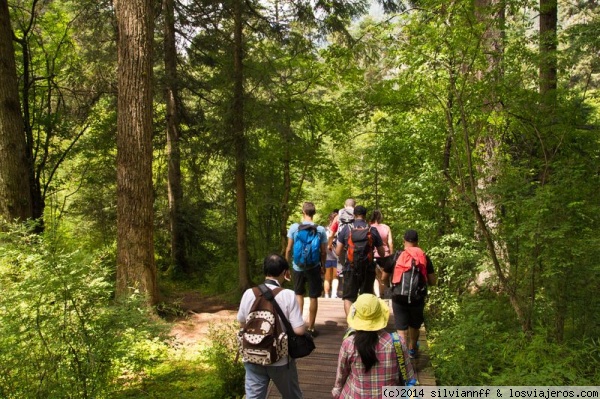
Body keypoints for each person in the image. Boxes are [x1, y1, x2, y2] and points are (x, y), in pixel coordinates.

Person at [237, 254, 306, 399]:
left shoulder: (249, 293)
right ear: (285, 272)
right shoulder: (288, 294)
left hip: (252, 355)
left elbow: (242, 322)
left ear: (265, 271)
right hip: (279, 359)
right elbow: (299, 330)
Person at [332, 294, 400, 398]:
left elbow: (341, 375)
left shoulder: (349, 343)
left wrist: (337, 390)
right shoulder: (397, 342)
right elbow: (409, 376)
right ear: (381, 314)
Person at [381, 229, 436, 359]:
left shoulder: (397, 256)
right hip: (417, 297)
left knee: (401, 328)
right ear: (417, 242)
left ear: (404, 241)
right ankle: (412, 349)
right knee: (415, 325)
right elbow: (432, 281)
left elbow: (384, 277)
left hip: (398, 297)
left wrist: (389, 286)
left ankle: (402, 355)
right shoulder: (424, 257)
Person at [285, 201, 327, 337]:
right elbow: (324, 251)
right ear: (314, 213)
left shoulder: (294, 228)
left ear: (303, 212)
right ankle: (311, 328)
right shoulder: (320, 230)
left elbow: (289, 249)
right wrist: (323, 265)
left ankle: (298, 326)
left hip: (298, 266)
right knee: (313, 296)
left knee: (299, 294)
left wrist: (286, 267)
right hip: (313, 266)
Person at [335, 205, 385, 316]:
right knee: (366, 297)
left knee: (348, 298)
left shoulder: (346, 229)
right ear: (365, 215)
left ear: (354, 215)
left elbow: (338, 252)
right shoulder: (372, 230)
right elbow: (382, 253)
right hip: (368, 268)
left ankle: (351, 326)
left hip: (350, 267)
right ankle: (364, 325)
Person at [369, 209, 393, 298]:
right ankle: (382, 294)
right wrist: (392, 255)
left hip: (373, 255)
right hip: (385, 255)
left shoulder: (370, 228)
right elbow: (390, 242)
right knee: (383, 276)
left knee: (375, 276)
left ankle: (377, 295)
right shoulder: (386, 227)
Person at [325, 210, 340, 298]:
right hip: (336, 256)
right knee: (335, 277)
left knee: (327, 277)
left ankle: (326, 295)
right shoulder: (339, 229)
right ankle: (334, 294)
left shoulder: (325, 230)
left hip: (327, 255)